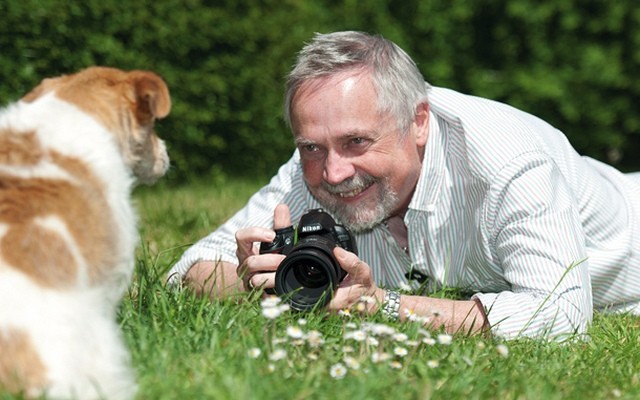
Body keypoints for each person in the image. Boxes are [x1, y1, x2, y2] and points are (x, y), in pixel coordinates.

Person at [169, 31, 640, 340]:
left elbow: (561, 318)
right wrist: (259, 282)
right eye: (311, 147)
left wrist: (383, 306)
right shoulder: (313, 167)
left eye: (357, 141)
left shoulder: (508, 161)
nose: (334, 173)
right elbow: (187, 269)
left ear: (417, 121)